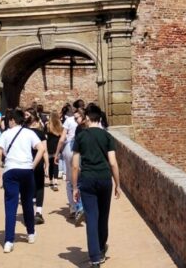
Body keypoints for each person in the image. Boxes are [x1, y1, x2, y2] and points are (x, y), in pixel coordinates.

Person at [71, 104, 121, 268]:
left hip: (87, 179)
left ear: (87, 118)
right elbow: (113, 163)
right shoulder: (107, 136)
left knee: (91, 217)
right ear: (99, 118)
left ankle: (94, 258)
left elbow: (75, 165)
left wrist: (75, 187)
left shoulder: (80, 137)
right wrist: (118, 184)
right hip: (104, 178)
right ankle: (100, 249)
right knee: (103, 217)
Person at [0, 108, 46, 253]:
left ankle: (9, 241)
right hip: (26, 170)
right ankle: (30, 233)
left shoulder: (6, 134)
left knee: (11, 205)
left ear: (12, 120)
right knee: (27, 202)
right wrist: (32, 165)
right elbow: (41, 149)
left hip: (10, 170)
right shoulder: (29, 133)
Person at [57, 106, 84, 220]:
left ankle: (74, 207)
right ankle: (81, 206)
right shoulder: (87, 124)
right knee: (81, 179)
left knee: (71, 181)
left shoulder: (69, 121)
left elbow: (62, 139)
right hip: (82, 151)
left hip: (70, 149)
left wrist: (57, 153)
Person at [25, 109, 47, 224]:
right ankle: (38, 212)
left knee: (27, 187)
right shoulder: (40, 133)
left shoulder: (22, 132)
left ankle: (29, 212)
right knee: (39, 186)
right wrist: (47, 163)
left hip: (25, 162)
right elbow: (44, 150)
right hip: (38, 162)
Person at [46, 111, 64, 192]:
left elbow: (45, 135)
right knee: (56, 164)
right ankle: (56, 182)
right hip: (57, 146)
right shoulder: (60, 125)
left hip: (49, 145)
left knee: (50, 164)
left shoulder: (48, 125)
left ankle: (50, 181)